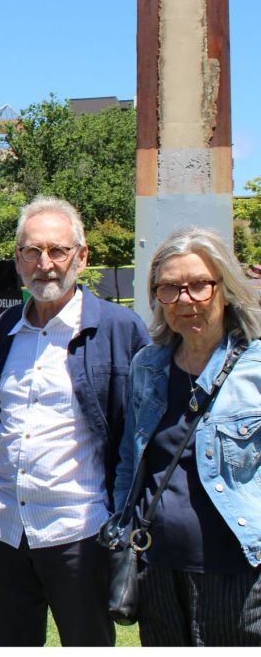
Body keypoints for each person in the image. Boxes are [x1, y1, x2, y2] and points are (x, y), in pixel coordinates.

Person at [0, 196, 149, 646]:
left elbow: (137, 437)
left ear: (81, 258)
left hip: (79, 536)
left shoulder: (121, 329)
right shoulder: (4, 330)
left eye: (58, 251)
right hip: (2, 530)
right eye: (32, 251)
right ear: (17, 258)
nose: (44, 263)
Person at [114, 227, 261, 646]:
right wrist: (124, 530)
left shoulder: (256, 367)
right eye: (170, 289)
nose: (186, 301)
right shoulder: (148, 365)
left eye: (199, 285)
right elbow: (132, 458)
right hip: (157, 567)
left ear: (226, 289)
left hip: (239, 574)